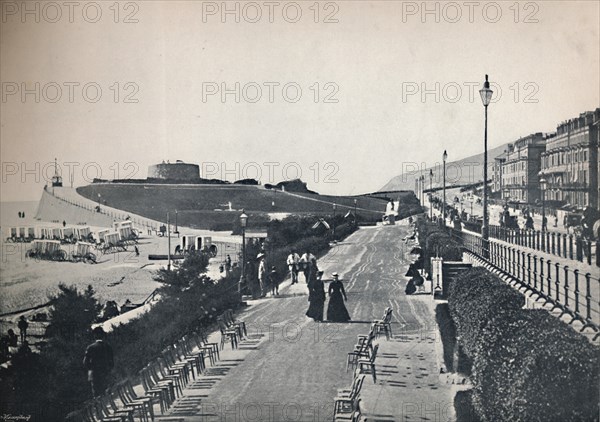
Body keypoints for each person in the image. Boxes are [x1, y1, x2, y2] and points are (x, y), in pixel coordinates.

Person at [83, 327, 114, 398]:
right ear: (103, 335)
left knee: (97, 395)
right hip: (106, 373)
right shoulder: (108, 346)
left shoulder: (90, 347)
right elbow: (112, 362)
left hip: (95, 375)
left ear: (95, 336)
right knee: (108, 392)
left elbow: (85, 362)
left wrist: (92, 369)